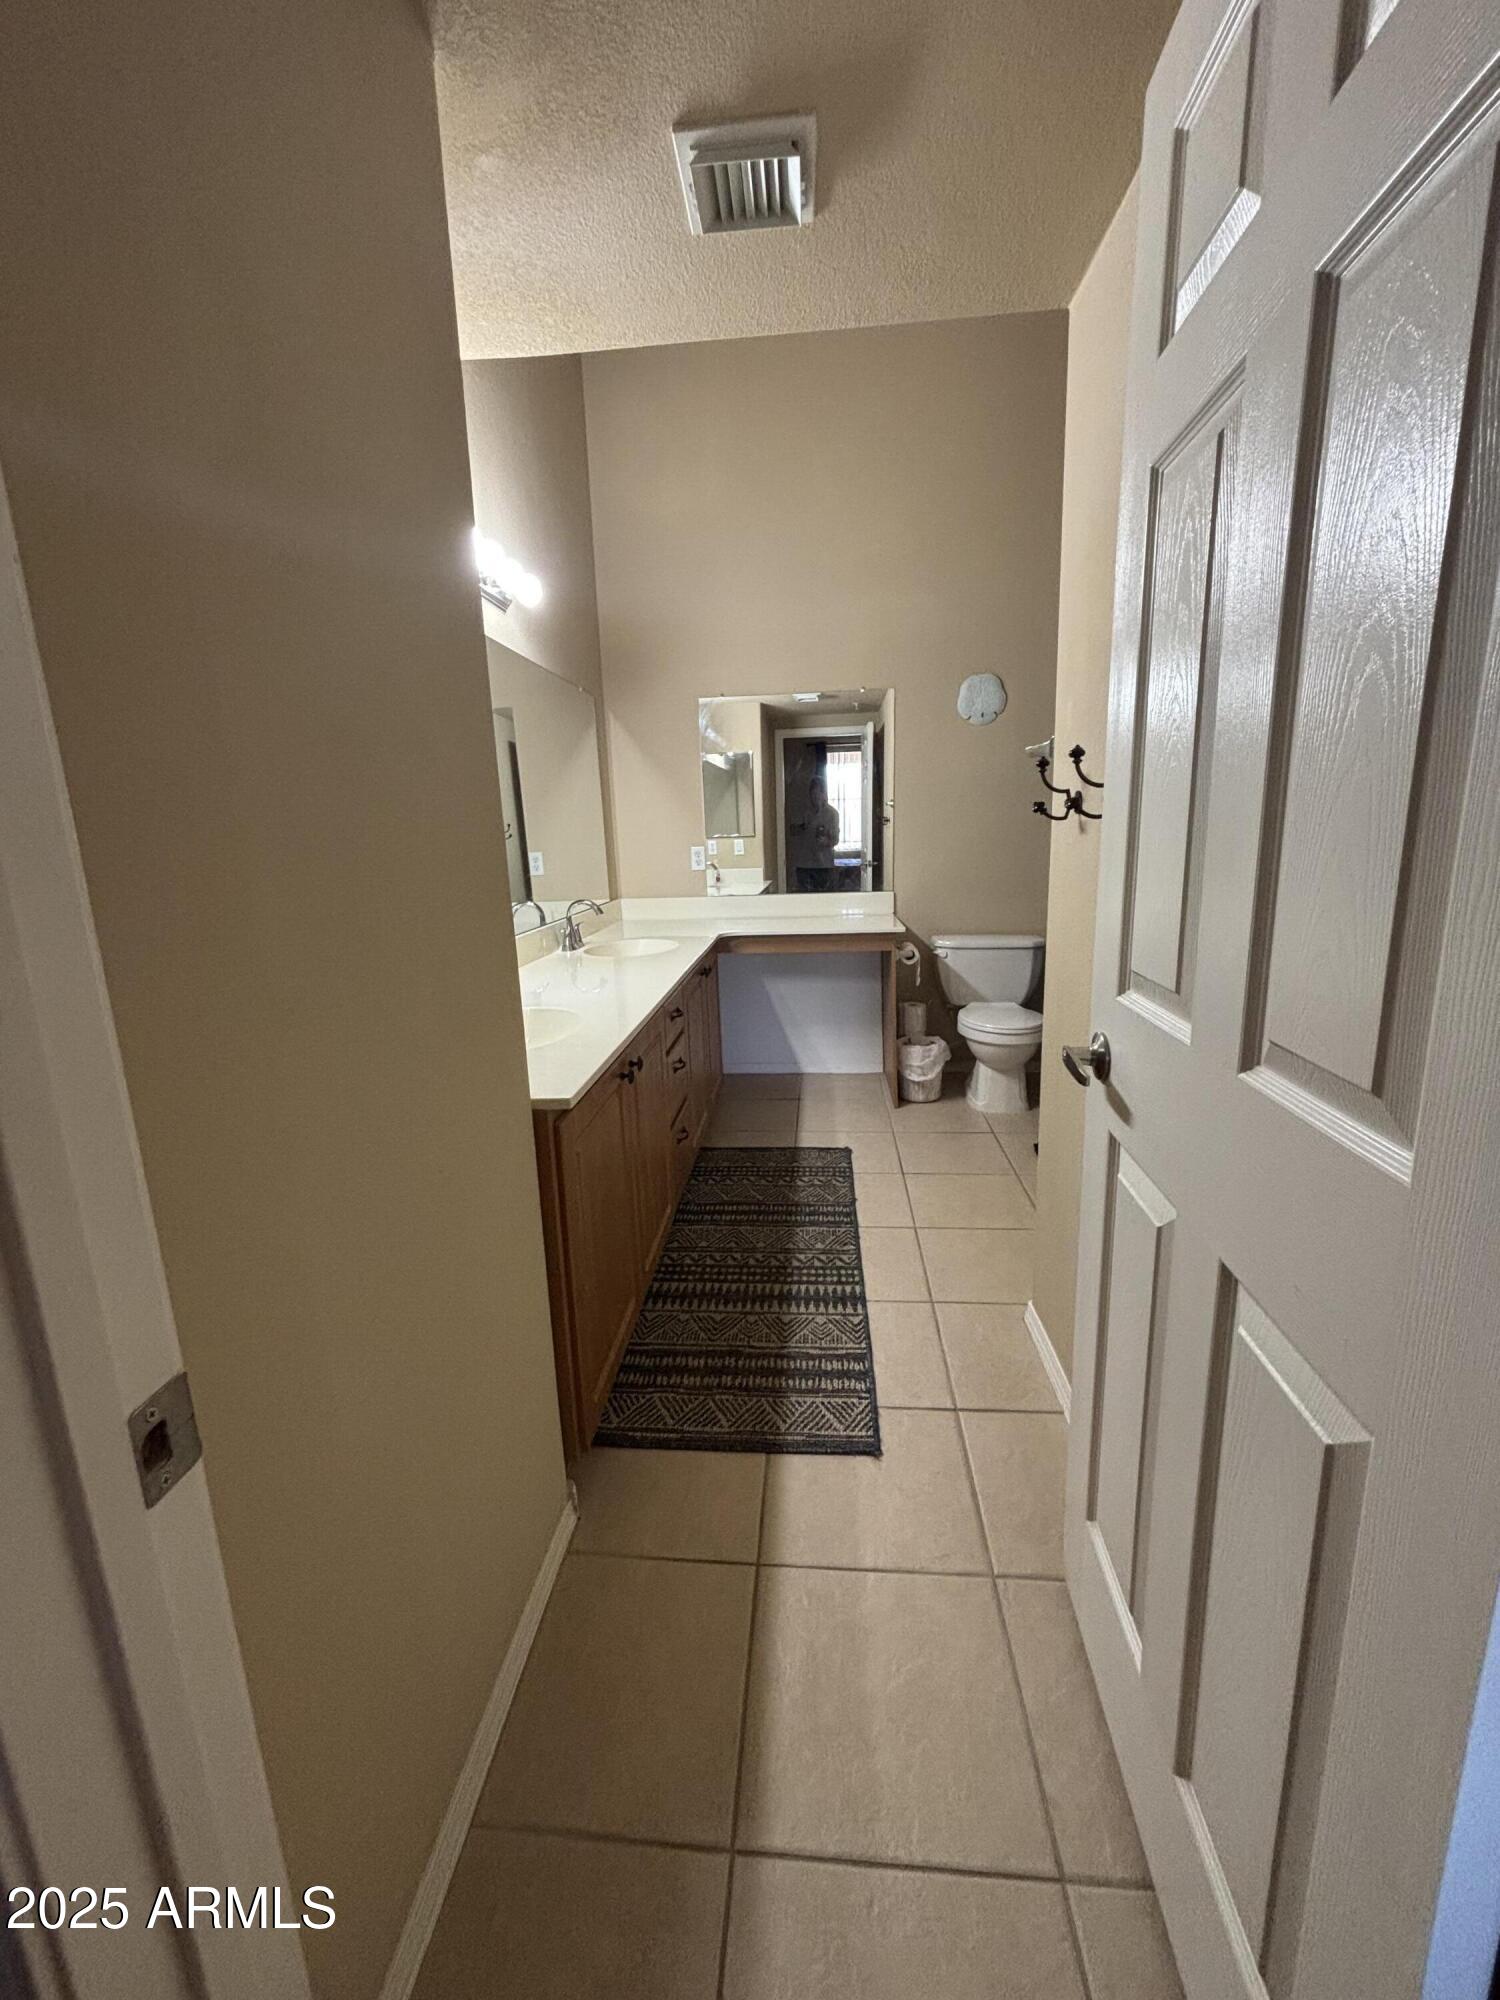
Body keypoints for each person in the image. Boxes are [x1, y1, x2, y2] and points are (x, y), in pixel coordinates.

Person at [791, 774, 840, 891]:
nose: (815, 797)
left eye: (818, 794)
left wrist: (826, 841)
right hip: (804, 864)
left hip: (823, 864)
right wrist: (803, 826)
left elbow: (835, 840)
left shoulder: (832, 814)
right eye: (813, 794)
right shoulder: (804, 811)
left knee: (824, 900)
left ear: (824, 794)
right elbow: (792, 831)